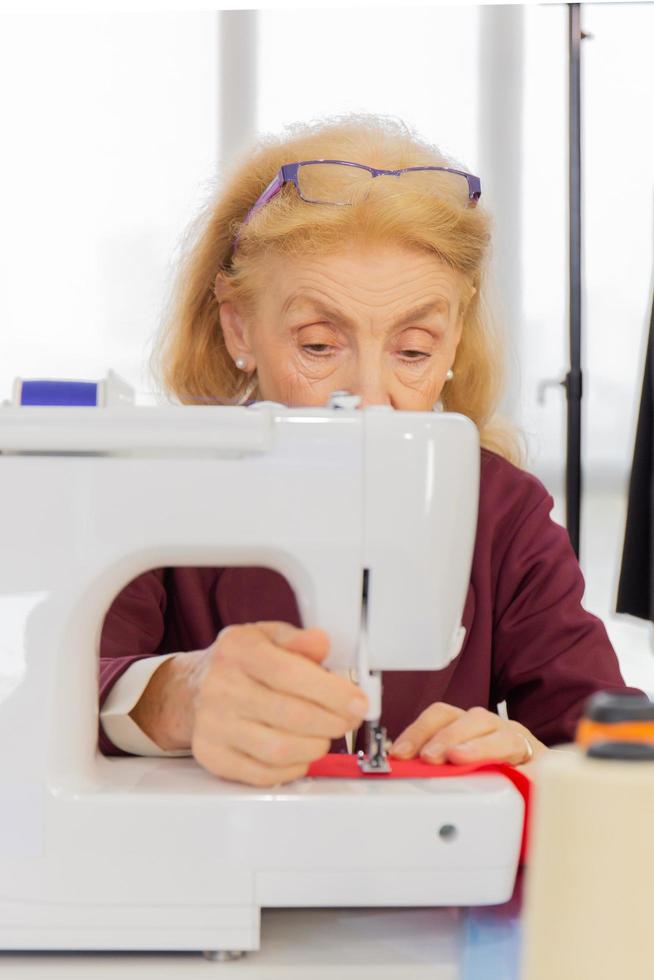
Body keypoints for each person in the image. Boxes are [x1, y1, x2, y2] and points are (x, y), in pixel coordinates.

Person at [99, 114, 642, 787]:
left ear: (453, 339)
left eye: (413, 351)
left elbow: (616, 738)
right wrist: (170, 696)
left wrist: (534, 754)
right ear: (238, 325)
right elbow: (58, 690)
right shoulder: (153, 493)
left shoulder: (503, 515)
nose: (371, 397)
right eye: (319, 346)